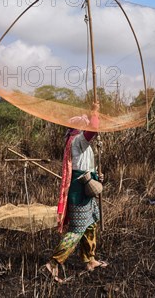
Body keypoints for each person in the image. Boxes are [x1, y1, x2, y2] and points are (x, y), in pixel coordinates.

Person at [45, 102, 107, 283]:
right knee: (77, 229)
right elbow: (93, 129)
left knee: (91, 223)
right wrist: (95, 111)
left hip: (86, 186)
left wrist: (97, 176)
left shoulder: (80, 142)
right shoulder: (77, 140)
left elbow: (85, 163)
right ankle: (53, 263)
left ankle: (90, 260)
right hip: (80, 190)